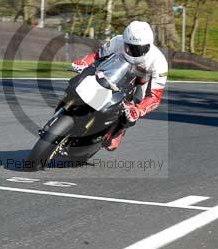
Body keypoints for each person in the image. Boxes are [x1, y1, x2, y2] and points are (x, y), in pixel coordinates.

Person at [70, 21, 168, 151]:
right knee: (86, 79)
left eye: (139, 49)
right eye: (130, 47)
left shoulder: (159, 62)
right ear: (125, 41)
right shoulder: (117, 41)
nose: (134, 52)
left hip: (140, 83)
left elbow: (155, 97)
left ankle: (118, 131)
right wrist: (84, 62)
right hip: (114, 72)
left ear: (149, 45)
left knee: (131, 112)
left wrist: (138, 109)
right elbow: (96, 56)